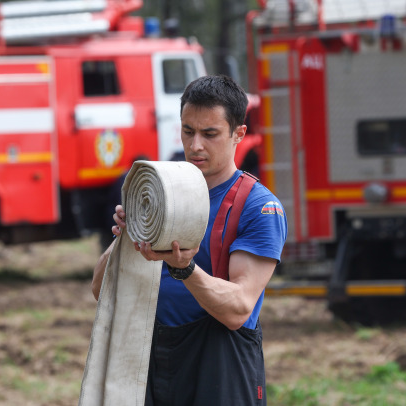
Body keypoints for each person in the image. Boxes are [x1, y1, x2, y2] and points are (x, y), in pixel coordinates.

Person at [91, 75, 287, 405]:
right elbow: (101, 291)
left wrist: (185, 269)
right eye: (188, 131)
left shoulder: (258, 206)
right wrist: (128, 235)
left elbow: (238, 308)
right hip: (151, 358)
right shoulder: (159, 194)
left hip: (221, 364)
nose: (195, 145)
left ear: (238, 133)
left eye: (210, 134)